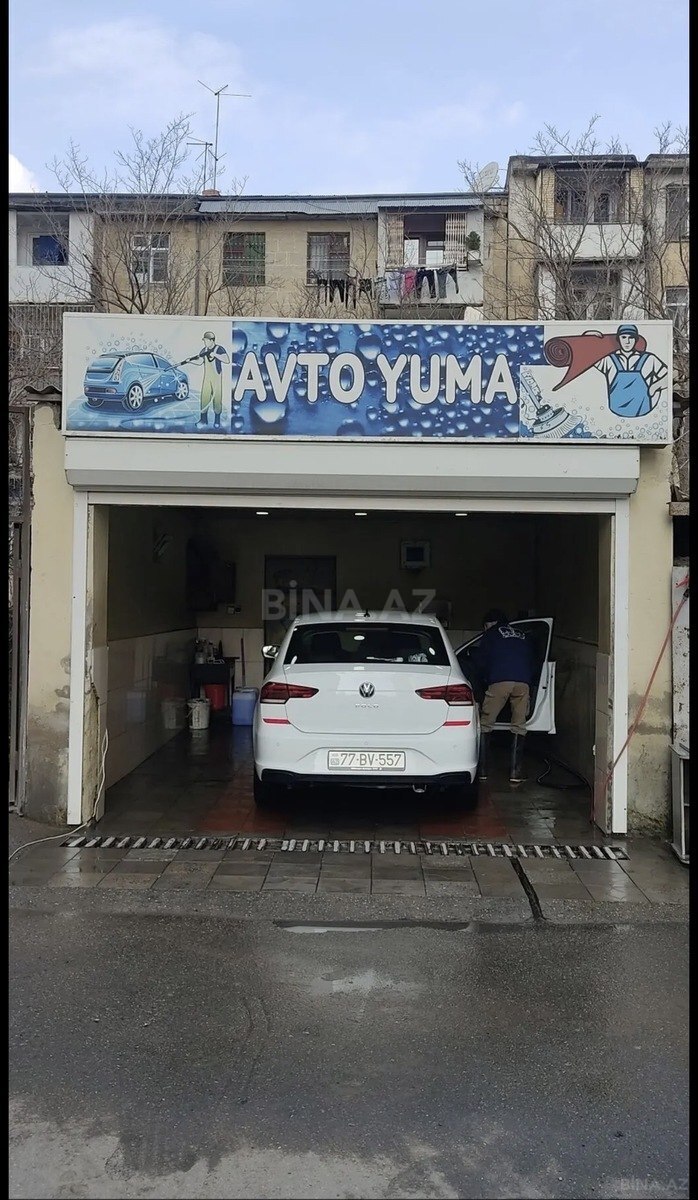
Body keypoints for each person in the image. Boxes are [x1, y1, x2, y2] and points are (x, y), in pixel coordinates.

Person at [472, 608, 535, 785]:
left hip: (500, 680)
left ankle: (483, 771)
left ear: (489, 624)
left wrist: (485, 679)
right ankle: (516, 772)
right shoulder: (522, 634)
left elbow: (481, 661)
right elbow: (533, 660)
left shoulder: (491, 634)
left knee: (486, 723)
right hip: (523, 682)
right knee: (519, 725)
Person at [593, 323, 668, 419]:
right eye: (623, 337)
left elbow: (668, 376)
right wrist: (588, 337)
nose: (627, 341)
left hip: (644, 413)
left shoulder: (649, 359)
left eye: (631, 337)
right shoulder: (609, 360)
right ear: (618, 339)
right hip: (615, 413)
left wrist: (655, 386)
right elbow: (588, 357)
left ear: (636, 340)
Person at [180, 332, 229, 429]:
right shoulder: (204, 350)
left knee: (217, 399)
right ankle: (203, 420)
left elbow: (227, 360)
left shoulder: (219, 349)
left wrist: (215, 355)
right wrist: (190, 361)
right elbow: (200, 362)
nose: (205, 342)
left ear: (211, 340)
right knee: (204, 398)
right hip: (207, 378)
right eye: (204, 341)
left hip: (217, 378)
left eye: (206, 340)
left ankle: (217, 421)